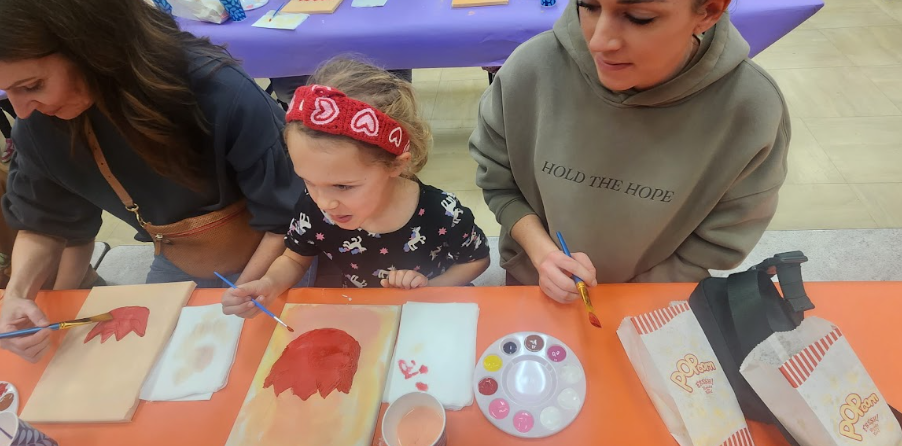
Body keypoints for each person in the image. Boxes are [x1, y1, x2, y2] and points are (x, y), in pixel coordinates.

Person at [0, 0, 312, 362]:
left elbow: (287, 218)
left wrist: (243, 291)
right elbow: (44, 222)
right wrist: (17, 295)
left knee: (263, 359)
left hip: (282, 255)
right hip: (180, 258)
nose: (21, 111)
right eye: (9, 93)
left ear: (90, 46)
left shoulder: (217, 92)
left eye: (32, 85)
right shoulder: (39, 124)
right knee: (152, 366)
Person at [470, 0, 790, 303]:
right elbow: (499, 181)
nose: (599, 41)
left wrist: (627, 303)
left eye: (639, 17)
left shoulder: (749, 109)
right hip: (533, 284)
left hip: (652, 303)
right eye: (589, 6)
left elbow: (720, 238)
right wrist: (541, 253)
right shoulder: (530, 70)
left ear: (709, 10)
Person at [222, 59, 490, 318]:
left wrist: (427, 290)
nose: (325, 203)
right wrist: (270, 284)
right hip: (365, 316)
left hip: (434, 314)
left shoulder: (442, 212)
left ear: (395, 165)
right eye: (307, 180)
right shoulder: (312, 208)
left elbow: (477, 260)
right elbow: (294, 258)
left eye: (342, 186)